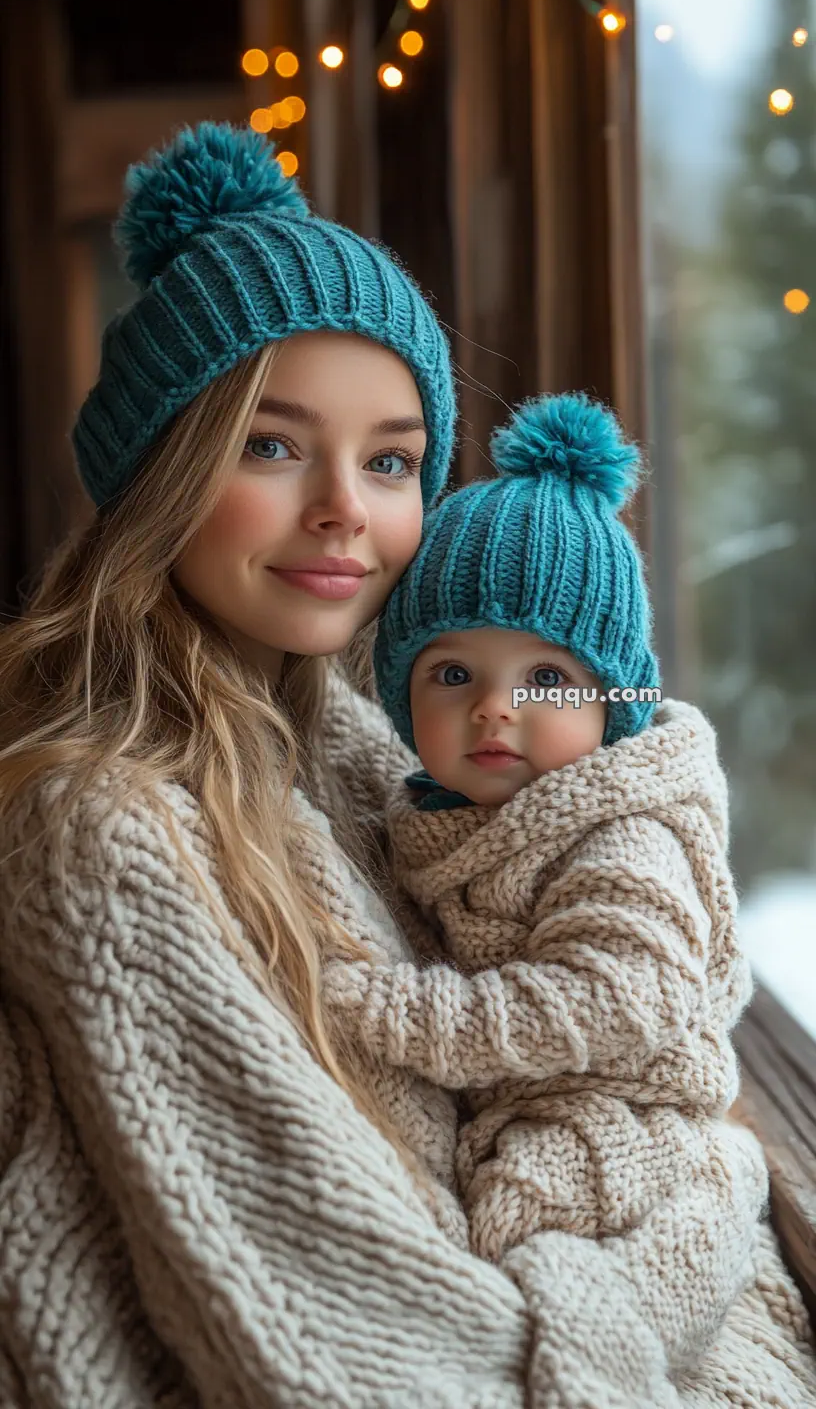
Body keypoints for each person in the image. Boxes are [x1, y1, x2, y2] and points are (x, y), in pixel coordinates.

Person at [0, 121, 781, 1408]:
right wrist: (694, 1221)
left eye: (391, 460)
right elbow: (341, 1337)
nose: (343, 511)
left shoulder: (360, 737)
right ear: (160, 470)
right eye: (270, 443)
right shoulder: (105, 829)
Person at [324, 391, 816, 1404]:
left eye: (547, 678)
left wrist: (395, 1009)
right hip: (533, 1097)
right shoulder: (438, 808)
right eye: (452, 670)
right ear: (400, 696)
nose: (497, 707)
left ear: (611, 700)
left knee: (517, 1241)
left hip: (627, 1105)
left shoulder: (618, 834)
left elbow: (615, 997)